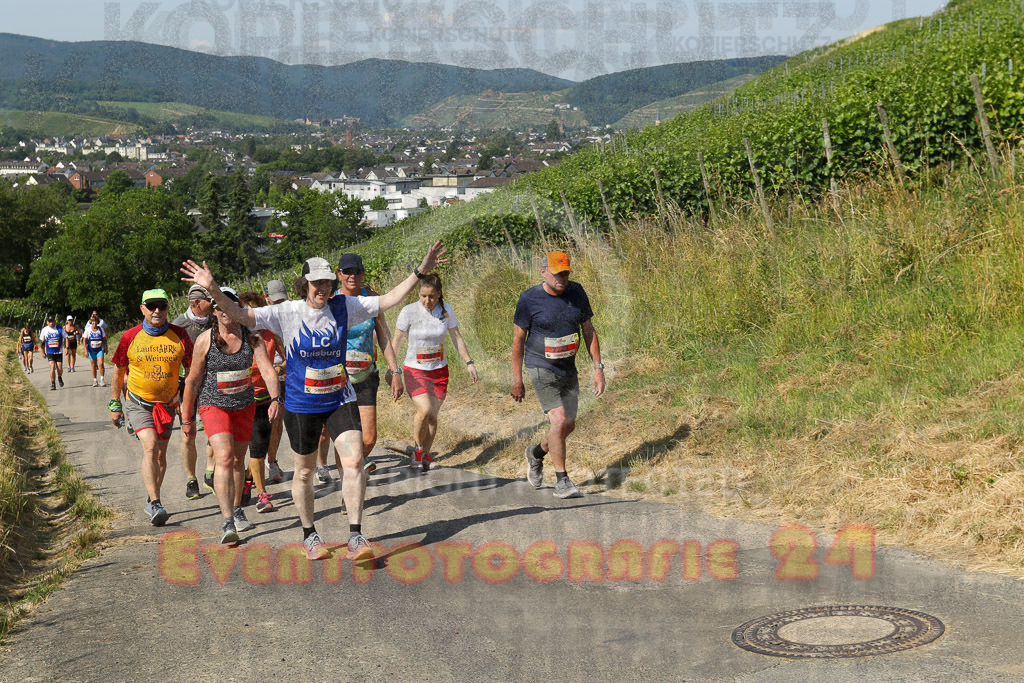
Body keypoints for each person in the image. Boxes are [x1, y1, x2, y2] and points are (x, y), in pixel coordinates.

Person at [181, 241, 447, 561]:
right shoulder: (286, 312)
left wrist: (420, 271)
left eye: (327, 283)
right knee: (304, 473)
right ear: (305, 284)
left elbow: (389, 300)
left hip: (339, 398)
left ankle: (356, 535)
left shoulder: (345, 307)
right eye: (316, 282)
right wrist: (211, 287)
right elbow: (238, 313)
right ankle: (310, 535)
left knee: (353, 461)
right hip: (301, 405)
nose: (322, 288)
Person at [182, 287, 280, 544]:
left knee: (238, 460)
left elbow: (268, 370)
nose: (225, 311)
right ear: (213, 312)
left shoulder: (252, 337)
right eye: (219, 306)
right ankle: (227, 521)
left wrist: (275, 399)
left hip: (244, 405)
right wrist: (187, 418)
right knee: (224, 457)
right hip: (214, 405)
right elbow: (192, 382)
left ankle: (236, 509)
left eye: (230, 305)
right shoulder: (205, 340)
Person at [511, 251, 605, 499]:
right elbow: (518, 341)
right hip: (540, 366)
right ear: (543, 272)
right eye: (556, 273)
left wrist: (598, 368)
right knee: (559, 420)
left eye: (565, 273)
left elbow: (589, 330)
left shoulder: (577, 292)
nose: (562, 278)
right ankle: (563, 480)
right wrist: (517, 379)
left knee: (568, 425)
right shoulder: (529, 299)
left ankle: (536, 453)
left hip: (567, 367)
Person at [109, 289, 194, 526]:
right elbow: (118, 370)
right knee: (150, 445)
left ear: (168, 308)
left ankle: (151, 497)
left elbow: (191, 370)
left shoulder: (180, 335)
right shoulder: (130, 336)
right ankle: (157, 504)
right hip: (138, 403)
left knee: (160, 454)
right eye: (152, 306)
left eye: (162, 306)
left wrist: (183, 397)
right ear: (142, 309)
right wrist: (115, 404)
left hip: (166, 405)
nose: (157, 311)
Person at [316, 254, 403, 482]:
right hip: (339, 380)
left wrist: (395, 371)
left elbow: (383, 336)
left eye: (357, 271)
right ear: (339, 273)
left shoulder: (371, 298)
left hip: (365, 375)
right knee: (344, 437)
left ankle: (354, 465)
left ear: (363, 273)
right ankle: (350, 484)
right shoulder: (332, 302)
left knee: (369, 438)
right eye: (347, 271)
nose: (352, 275)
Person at [390, 272, 477, 471]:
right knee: (424, 410)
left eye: (431, 296)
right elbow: (396, 341)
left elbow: (456, 337)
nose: (427, 300)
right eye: (423, 296)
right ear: (418, 294)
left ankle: (426, 454)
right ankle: (418, 450)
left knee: (433, 417)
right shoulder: (409, 311)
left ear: (438, 295)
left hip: (439, 370)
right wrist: (393, 369)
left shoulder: (446, 310)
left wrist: (469, 362)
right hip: (414, 370)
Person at [239, 291, 285, 513]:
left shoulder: (271, 334)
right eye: (245, 310)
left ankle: (249, 480)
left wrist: (277, 369)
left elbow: (289, 359)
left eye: (254, 310)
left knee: (259, 447)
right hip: (242, 398)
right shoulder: (236, 336)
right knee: (252, 447)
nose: (250, 315)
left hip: (265, 398)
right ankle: (262, 494)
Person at [172, 284, 215, 501]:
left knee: (215, 430)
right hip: (186, 386)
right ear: (196, 303)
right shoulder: (179, 325)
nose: (215, 304)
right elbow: (170, 361)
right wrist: (175, 394)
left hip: (211, 383)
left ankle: (210, 472)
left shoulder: (215, 319)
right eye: (210, 300)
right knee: (188, 433)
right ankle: (191, 479)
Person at [263, 279, 290, 485]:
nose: (280, 305)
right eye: (275, 302)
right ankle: (254, 464)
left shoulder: (292, 315)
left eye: (283, 300)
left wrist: (279, 369)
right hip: (260, 377)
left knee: (277, 421)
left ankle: (271, 461)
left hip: (282, 375)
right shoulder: (261, 319)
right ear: (266, 299)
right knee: (258, 426)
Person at [39, 316, 65, 391]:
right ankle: (53, 384)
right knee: (52, 367)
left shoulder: (59, 328)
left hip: (58, 352)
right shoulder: (45, 330)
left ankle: (59, 377)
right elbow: (42, 343)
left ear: (54, 321)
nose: (51, 323)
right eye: (49, 321)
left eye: (52, 321)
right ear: (47, 322)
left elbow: (66, 337)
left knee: (59, 368)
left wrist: (67, 347)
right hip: (50, 352)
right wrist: (43, 352)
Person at [82, 314, 107, 387]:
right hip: (91, 350)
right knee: (93, 365)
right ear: (91, 322)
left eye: (95, 321)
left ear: (97, 322)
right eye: (93, 322)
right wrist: (86, 351)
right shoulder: (88, 330)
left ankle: (102, 379)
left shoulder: (100, 329)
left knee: (101, 363)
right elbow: (84, 341)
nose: (94, 323)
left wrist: (106, 347)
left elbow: (104, 339)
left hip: (100, 349)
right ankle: (95, 380)